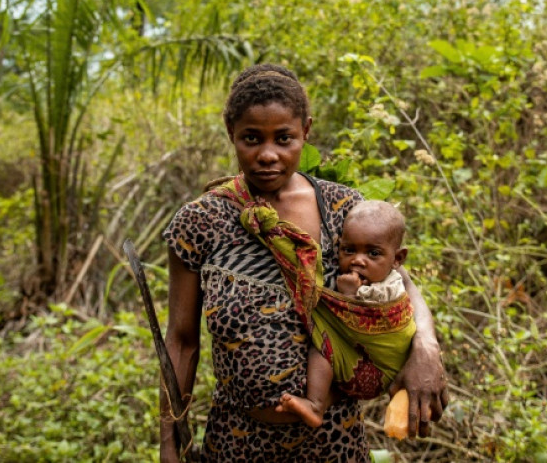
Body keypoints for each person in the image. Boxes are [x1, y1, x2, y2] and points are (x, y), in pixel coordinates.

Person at [161, 64, 448, 462]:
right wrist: (170, 439)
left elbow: (402, 284)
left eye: (284, 138)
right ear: (231, 133)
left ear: (306, 131)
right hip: (236, 441)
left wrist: (426, 347)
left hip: (335, 440)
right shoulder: (201, 221)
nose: (267, 155)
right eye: (251, 138)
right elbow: (181, 341)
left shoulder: (343, 208)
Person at [276, 200, 415, 428]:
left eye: (373, 253)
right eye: (349, 250)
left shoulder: (390, 287)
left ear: (397, 259)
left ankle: (315, 403)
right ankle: (319, 405)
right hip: (358, 364)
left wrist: (349, 296)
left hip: (385, 368)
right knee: (328, 349)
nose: (358, 260)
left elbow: (363, 318)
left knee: (324, 345)